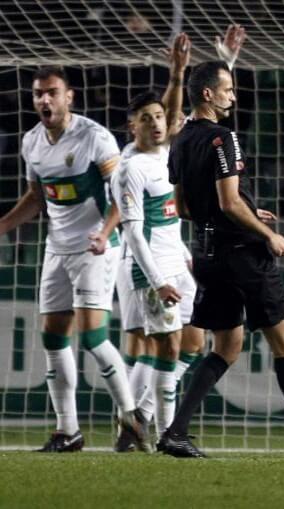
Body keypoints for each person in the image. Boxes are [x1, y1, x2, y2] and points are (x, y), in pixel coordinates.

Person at [158, 59, 284, 459]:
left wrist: (247, 210)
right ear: (208, 94)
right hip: (244, 255)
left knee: (227, 346)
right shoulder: (223, 139)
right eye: (228, 89)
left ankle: (175, 432)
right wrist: (267, 232)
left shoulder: (180, 140)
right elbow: (229, 200)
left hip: (208, 254)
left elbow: (182, 208)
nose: (234, 95)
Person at [0, 66, 147, 452]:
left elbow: (122, 195)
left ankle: (131, 417)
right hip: (57, 247)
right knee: (52, 337)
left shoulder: (95, 138)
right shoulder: (31, 142)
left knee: (93, 336)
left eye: (52, 92)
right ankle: (68, 431)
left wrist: (103, 231)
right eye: (37, 94)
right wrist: (2, 225)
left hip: (97, 246)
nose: (44, 100)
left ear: (70, 97)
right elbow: (36, 198)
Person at [112, 31, 216, 451]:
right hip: (151, 267)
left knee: (193, 343)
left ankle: (138, 418)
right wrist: (157, 280)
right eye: (146, 118)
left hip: (179, 261)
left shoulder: (165, 151)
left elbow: (179, 110)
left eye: (159, 116)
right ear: (131, 125)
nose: (156, 122)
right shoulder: (129, 167)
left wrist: (179, 72)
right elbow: (133, 231)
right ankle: (168, 435)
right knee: (166, 348)